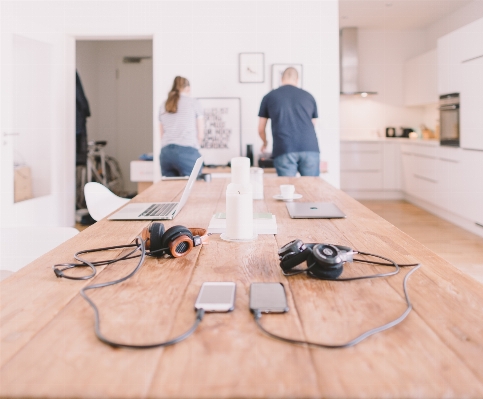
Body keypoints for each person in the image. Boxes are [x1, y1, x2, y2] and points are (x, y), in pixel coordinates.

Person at [258, 67, 320, 176]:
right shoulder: (309, 96)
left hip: (284, 148)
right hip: (310, 147)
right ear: (297, 79)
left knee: (287, 189)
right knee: (312, 187)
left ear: (282, 78)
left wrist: (265, 143)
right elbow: (313, 123)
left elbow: (260, 128)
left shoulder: (269, 97)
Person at [159, 76, 204, 177]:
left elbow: (161, 134)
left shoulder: (163, 105)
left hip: (166, 154)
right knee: (193, 188)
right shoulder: (193, 103)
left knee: (170, 190)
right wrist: (195, 150)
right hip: (187, 151)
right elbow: (200, 134)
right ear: (187, 88)